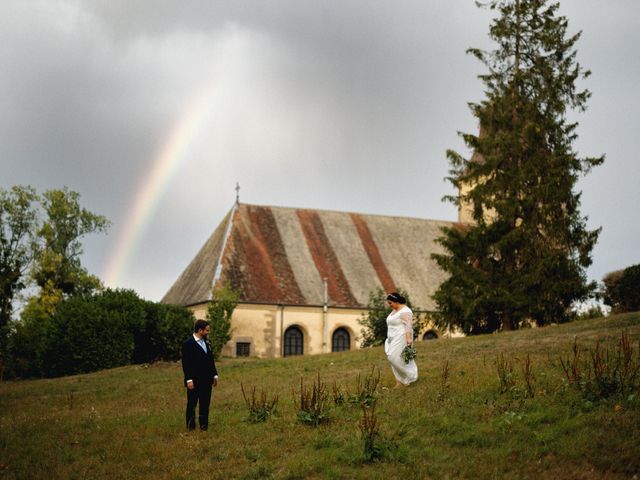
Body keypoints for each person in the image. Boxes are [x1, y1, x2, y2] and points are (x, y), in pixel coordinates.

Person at [181, 319, 218, 431]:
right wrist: (188, 380)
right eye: (206, 330)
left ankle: (204, 427)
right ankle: (190, 427)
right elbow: (186, 363)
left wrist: (215, 375)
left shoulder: (207, 343)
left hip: (207, 380)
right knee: (192, 405)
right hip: (194, 381)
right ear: (200, 330)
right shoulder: (188, 344)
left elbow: (211, 361)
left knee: (205, 404)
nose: (208, 332)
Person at [384, 292, 418, 388]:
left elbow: (408, 325)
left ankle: (410, 375)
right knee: (393, 359)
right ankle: (399, 382)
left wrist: (408, 339)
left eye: (390, 303)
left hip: (401, 338)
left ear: (396, 301)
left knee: (393, 358)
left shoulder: (405, 311)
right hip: (391, 338)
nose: (389, 305)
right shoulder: (395, 310)